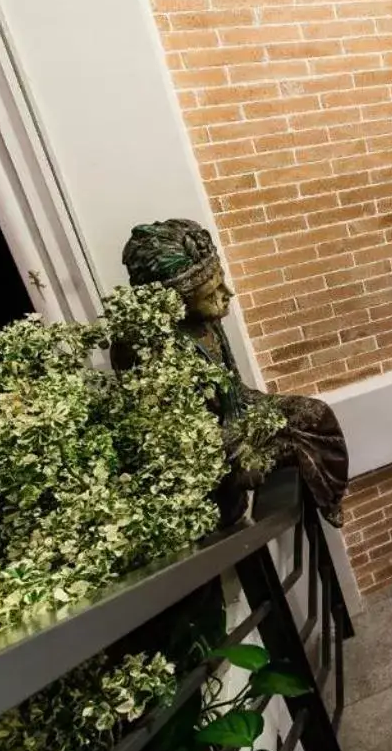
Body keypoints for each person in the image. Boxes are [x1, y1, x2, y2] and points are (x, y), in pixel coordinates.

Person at [121, 219, 349, 523]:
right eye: (210, 292)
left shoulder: (206, 324)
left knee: (316, 415)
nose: (227, 293)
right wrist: (238, 447)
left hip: (239, 418)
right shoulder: (142, 346)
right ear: (175, 302)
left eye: (221, 280)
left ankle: (327, 497)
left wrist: (266, 417)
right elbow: (173, 440)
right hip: (206, 450)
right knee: (285, 447)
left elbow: (237, 392)